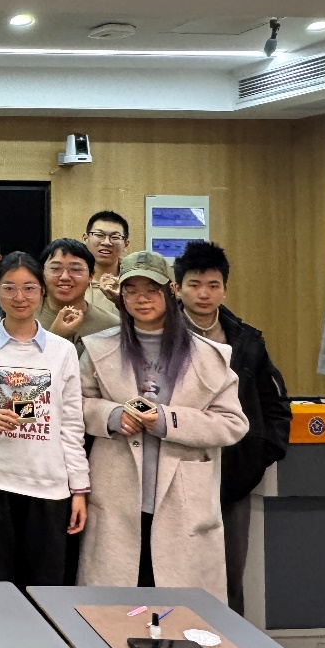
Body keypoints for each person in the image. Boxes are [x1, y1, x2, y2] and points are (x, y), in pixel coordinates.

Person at [78, 250, 248, 600]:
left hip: (183, 498)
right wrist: (111, 415)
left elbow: (232, 424)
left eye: (151, 290)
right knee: (115, 606)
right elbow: (74, 404)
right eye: (131, 290)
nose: (141, 299)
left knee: (181, 608)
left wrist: (168, 421)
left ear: (170, 291)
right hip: (117, 492)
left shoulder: (208, 355)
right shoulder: (98, 348)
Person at [0, 252, 89, 587]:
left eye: (29, 288)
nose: (19, 297)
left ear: (42, 291)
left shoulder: (62, 351)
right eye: (9, 287)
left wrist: (79, 489)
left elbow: (72, 424)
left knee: (43, 586)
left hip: (47, 486)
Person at [173, 240, 290, 614]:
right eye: (194, 284)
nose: (203, 294)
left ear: (224, 289)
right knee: (175, 570)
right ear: (177, 288)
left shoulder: (247, 339)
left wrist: (261, 453)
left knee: (228, 575)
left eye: (213, 285)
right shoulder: (161, 334)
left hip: (233, 474)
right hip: (174, 473)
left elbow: (275, 403)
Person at [36, 238, 118, 355]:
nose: (65, 277)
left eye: (75, 269)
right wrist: (55, 336)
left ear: (91, 276)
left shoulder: (110, 326)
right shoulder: (23, 317)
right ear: (42, 273)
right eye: (55, 269)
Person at [83, 211, 130, 314]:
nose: (106, 242)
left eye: (115, 237)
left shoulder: (134, 280)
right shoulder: (73, 279)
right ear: (85, 239)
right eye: (99, 235)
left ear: (125, 244)